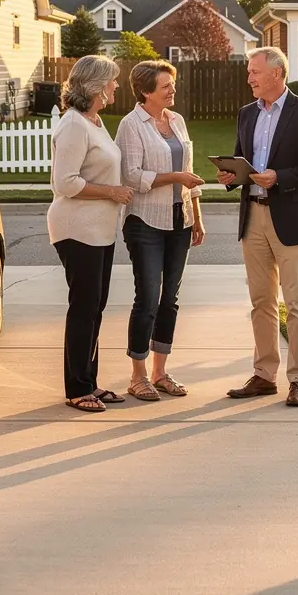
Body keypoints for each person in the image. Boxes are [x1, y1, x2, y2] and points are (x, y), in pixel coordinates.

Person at [217, 47, 298, 407]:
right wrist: (231, 176)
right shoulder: (246, 114)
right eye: (249, 72)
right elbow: (243, 162)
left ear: (277, 74)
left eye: (254, 72)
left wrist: (279, 178)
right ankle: (264, 375)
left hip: (292, 218)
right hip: (252, 217)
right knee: (261, 301)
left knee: (296, 302)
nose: (249, 78)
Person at [48, 55, 135, 413]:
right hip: (76, 227)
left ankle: (91, 383)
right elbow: (65, 183)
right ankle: (77, 388)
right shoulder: (73, 125)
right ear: (96, 85)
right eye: (112, 80)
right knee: (84, 307)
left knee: (95, 307)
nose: (116, 85)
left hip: (100, 229)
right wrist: (112, 192)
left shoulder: (94, 122)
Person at [116, 60, 206, 400]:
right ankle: (137, 376)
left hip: (179, 220)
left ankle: (160, 372)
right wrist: (175, 179)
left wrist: (196, 215)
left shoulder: (176, 120)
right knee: (148, 299)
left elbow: (189, 170)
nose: (173, 90)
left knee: (170, 300)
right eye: (166, 86)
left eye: (173, 84)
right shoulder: (131, 125)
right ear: (145, 91)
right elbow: (133, 176)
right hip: (145, 223)